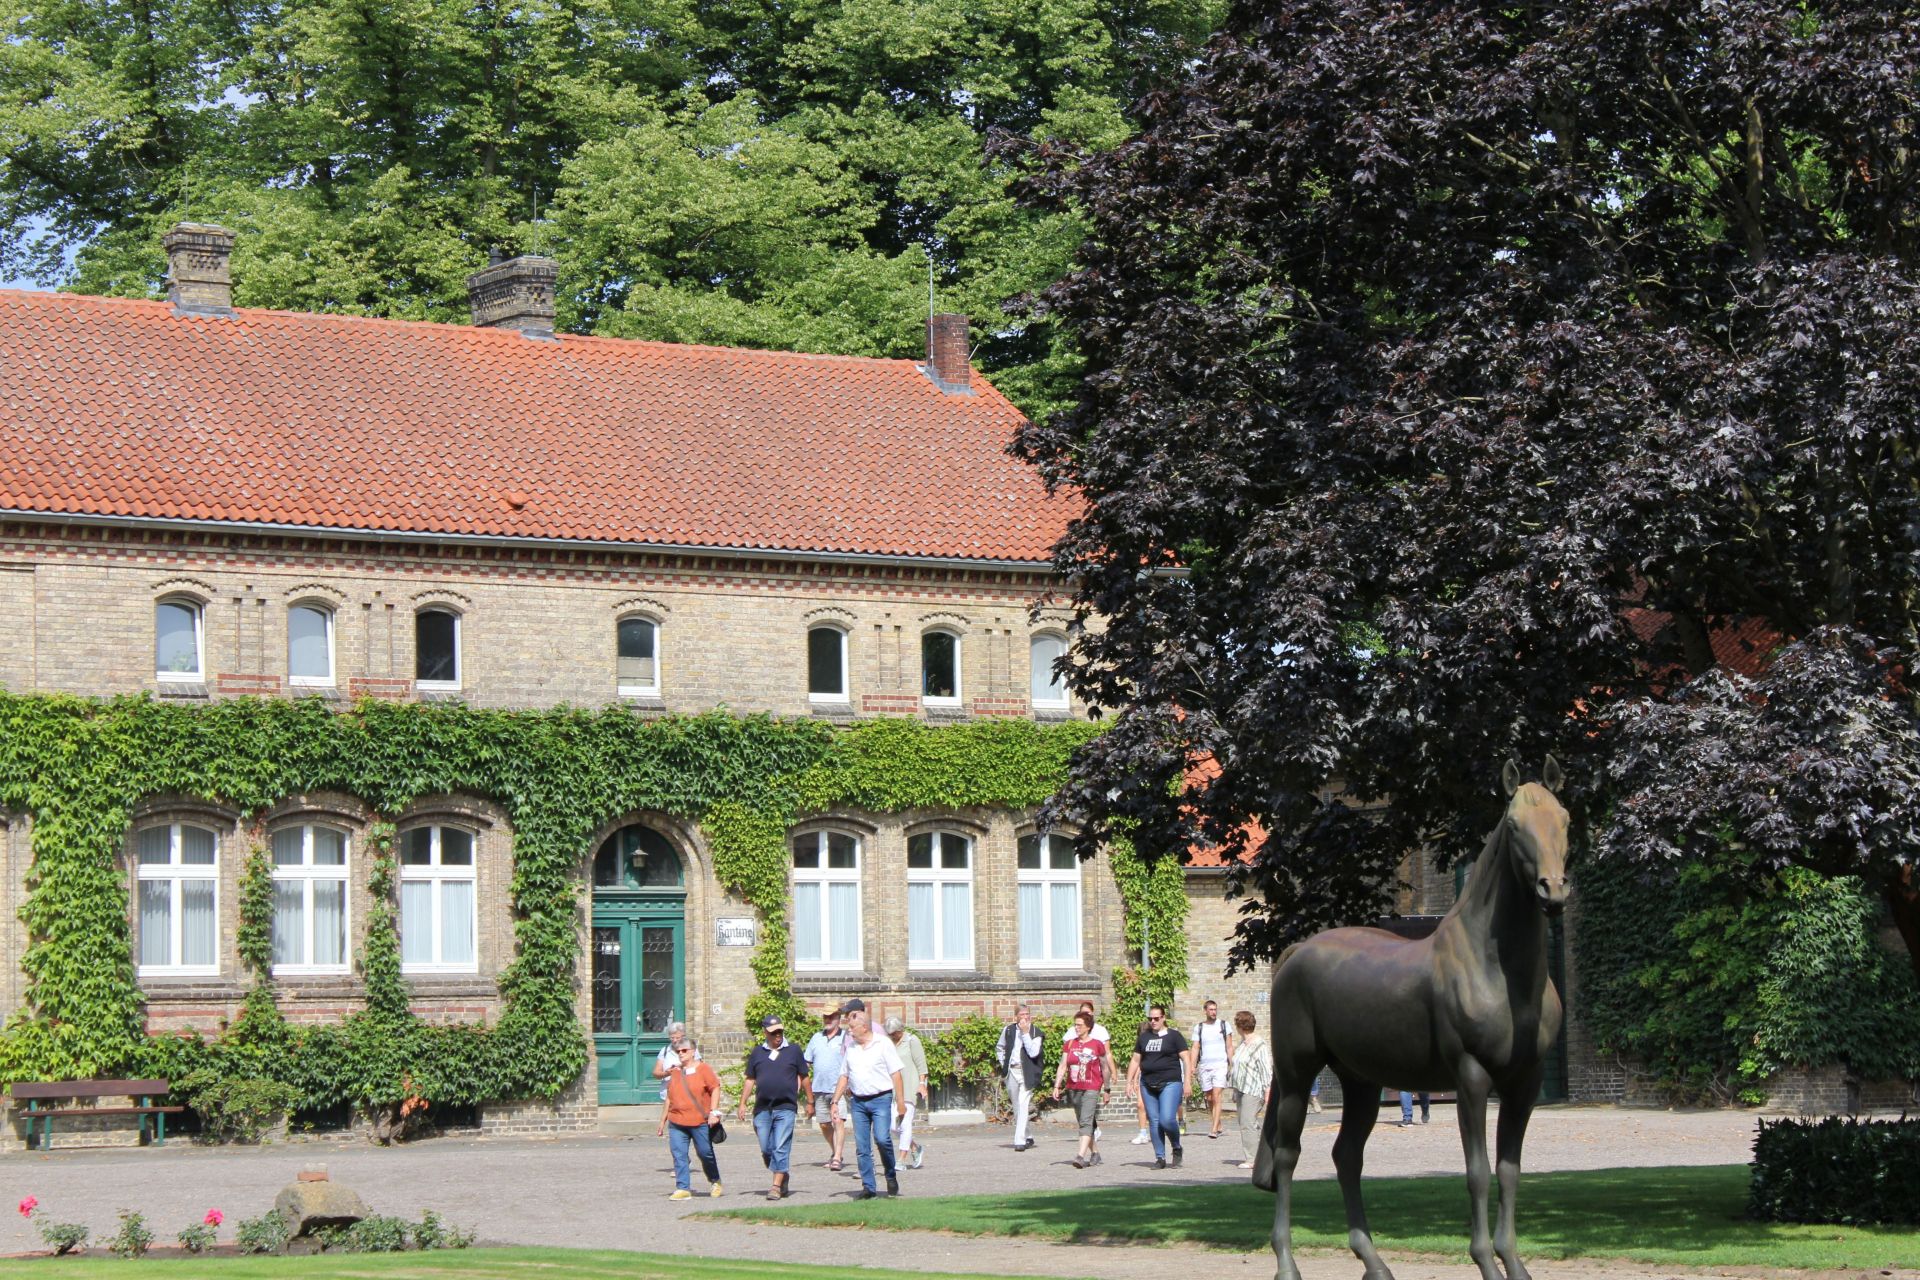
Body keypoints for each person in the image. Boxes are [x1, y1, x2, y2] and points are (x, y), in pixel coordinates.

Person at [830, 999, 907, 1198]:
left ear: (864, 1027)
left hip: (881, 1098)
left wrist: (900, 1103)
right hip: (858, 1101)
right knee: (862, 1146)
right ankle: (869, 1187)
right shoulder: (851, 1048)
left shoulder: (883, 1044)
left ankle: (890, 1175)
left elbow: (896, 1074)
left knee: (882, 1139)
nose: (849, 1031)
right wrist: (834, 1101)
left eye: (852, 1027)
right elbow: (844, 1075)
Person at [738, 1014, 808, 1200]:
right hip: (762, 1109)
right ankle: (782, 1172)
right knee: (766, 1149)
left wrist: (810, 1101)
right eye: (773, 1032)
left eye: (780, 1031)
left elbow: (804, 1076)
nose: (778, 1035)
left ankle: (776, 1185)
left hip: (786, 1107)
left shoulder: (793, 1050)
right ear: (765, 1033)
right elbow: (750, 1079)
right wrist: (743, 1103)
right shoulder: (757, 1053)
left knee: (780, 1146)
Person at [1126, 1003, 1189, 1168]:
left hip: (1170, 1082)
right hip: (1147, 1083)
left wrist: (1188, 1080)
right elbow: (1135, 1060)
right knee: (1154, 1121)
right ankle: (1160, 1158)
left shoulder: (1174, 1036)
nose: (1153, 1021)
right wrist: (1129, 1081)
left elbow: (1186, 1059)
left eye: (1156, 1018)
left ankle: (1176, 1146)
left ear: (1163, 1018)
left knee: (1167, 1119)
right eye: (1150, 1019)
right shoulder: (1144, 1037)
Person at [662, 1038, 725, 1199]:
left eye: (684, 1051)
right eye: (678, 1051)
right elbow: (670, 1097)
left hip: (699, 1121)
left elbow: (715, 1088)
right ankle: (683, 1188)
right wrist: (663, 1120)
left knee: (705, 1153)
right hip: (676, 1121)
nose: (681, 1054)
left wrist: (714, 1111)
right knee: (679, 1154)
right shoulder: (675, 1072)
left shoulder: (703, 1069)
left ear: (693, 1052)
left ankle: (715, 1180)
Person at [1050, 1010, 1111, 1168]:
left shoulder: (1097, 1044)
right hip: (1074, 1087)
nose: (1076, 1027)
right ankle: (1095, 1153)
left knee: (1085, 1122)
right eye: (1075, 1024)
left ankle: (1080, 1156)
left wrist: (1107, 1089)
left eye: (1079, 1025)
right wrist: (1057, 1085)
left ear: (1088, 1027)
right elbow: (1063, 1065)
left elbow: (1105, 1067)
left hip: (1092, 1087)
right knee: (1084, 1123)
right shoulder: (1070, 1044)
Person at [803, 1006, 850, 1170]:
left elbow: (852, 1061)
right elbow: (806, 1062)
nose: (828, 1020)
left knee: (838, 1121)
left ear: (838, 1018)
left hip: (838, 1089)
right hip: (819, 1089)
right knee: (824, 1124)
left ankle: (837, 1157)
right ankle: (835, 1152)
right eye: (825, 1017)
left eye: (831, 1017)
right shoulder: (816, 1038)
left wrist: (849, 1084)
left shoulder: (846, 1037)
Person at [995, 1004, 1045, 1151]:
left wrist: (1025, 1033)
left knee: (1023, 1104)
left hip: (1027, 1072)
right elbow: (1000, 1047)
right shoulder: (1008, 1030)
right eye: (1022, 1014)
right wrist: (1004, 1063)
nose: (1025, 1017)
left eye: (1027, 1014)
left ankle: (1019, 1141)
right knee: (1017, 1107)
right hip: (1012, 1071)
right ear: (1016, 1016)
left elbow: (1033, 1052)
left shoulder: (1036, 1032)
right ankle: (1028, 1136)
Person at [1228, 1009, 1272, 1169]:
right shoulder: (1242, 1044)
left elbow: (1266, 1069)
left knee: (1248, 1123)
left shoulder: (1259, 1044)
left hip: (1253, 1090)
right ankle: (1263, 1153)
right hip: (1241, 1089)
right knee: (1247, 1123)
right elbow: (1237, 1067)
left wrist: (1267, 1091)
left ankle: (1253, 1159)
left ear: (1240, 1026)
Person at [885, 1015, 930, 1169]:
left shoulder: (912, 1041)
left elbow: (921, 1065)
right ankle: (915, 1148)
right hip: (893, 1089)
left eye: (894, 1033)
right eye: (890, 1034)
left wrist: (922, 1084)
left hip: (910, 1086)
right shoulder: (888, 1043)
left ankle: (901, 1160)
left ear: (900, 1030)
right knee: (892, 1126)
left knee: (904, 1124)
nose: (892, 1036)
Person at [1191, 999, 1234, 1139]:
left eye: (1215, 1009)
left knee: (1217, 1095)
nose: (1214, 1012)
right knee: (1209, 1097)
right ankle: (1219, 1124)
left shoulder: (1224, 1025)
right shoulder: (1199, 1028)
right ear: (1205, 1011)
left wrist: (1232, 1062)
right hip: (1205, 1065)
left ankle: (1214, 1129)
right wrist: (1192, 1065)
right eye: (1211, 1010)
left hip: (1220, 1064)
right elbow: (1196, 1047)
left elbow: (1229, 1046)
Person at [650, 1020, 699, 1137]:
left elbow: (699, 1069)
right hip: (668, 1093)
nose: (674, 1040)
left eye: (677, 1037)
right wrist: (666, 1073)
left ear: (683, 1036)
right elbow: (656, 1073)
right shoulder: (665, 1051)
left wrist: (681, 1069)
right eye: (672, 1038)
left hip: (686, 1092)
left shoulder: (691, 1050)